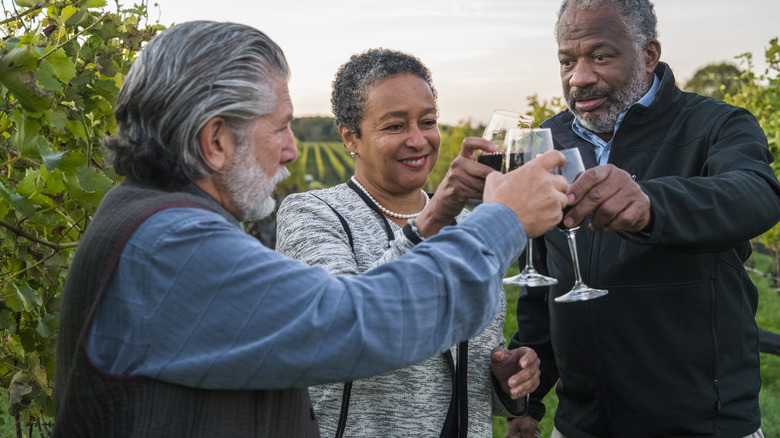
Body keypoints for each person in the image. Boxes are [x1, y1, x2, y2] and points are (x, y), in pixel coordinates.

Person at [52, 21, 570, 437]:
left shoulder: (159, 222)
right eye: (279, 126)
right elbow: (356, 323)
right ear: (215, 141)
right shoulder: (172, 246)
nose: (292, 150)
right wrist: (501, 222)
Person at [506, 1, 780, 437]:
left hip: (703, 426)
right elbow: (543, 283)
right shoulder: (547, 139)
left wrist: (651, 205)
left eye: (600, 56)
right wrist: (527, 401)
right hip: (581, 427)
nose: (579, 77)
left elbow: (756, 194)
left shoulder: (717, 124)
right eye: (566, 61)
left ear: (649, 54)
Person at [276, 48, 539, 438]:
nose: (418, 140)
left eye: (427, 121)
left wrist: (505, 379)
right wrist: (431, 219)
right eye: (395, 126)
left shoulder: (468, 225)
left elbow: (465, 369)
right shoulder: (312, 213)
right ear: (351, 136)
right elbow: (344, 330)